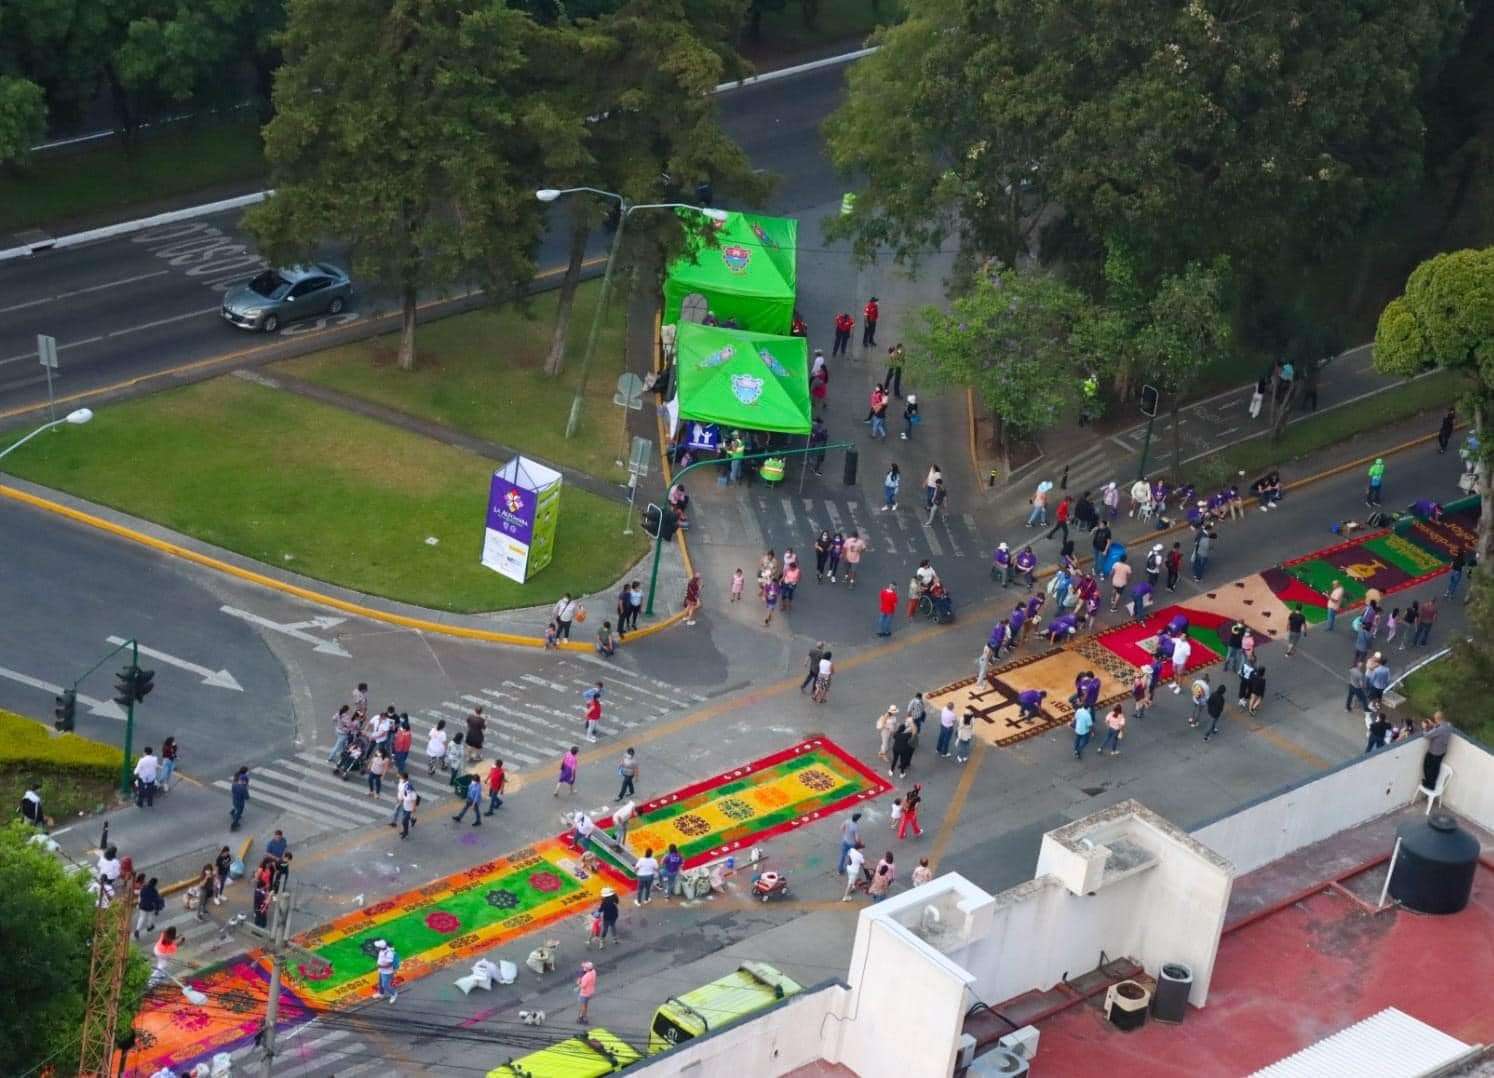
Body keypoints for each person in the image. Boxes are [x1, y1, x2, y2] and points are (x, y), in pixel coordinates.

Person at [1423, 711, 1452, 786]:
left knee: (1428, 767)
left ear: (1438, 719)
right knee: (1436, 768)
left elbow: (1427, 735)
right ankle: (1431, 783)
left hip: (1435, 752)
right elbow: (1438, 727)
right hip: (1442, 751)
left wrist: (1425, 728)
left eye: (1435, 719)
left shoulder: (1440, 729)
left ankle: (1430, 784)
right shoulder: (1448, 725)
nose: (1434, 720)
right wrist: (1433, 725)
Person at [229, 766, 250, 830]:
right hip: (240, 801)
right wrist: (246, 791)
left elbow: (232, 791)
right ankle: (234, 824)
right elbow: (247, 797)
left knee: (236, 806)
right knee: (239, 811)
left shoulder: (235, 784)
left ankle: (232, 812)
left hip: (235, 798)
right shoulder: (243, 788)